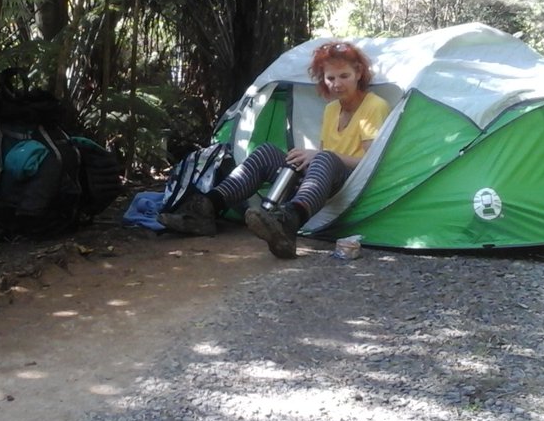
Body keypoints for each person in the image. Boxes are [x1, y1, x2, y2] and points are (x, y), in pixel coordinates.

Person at [159, 40, 391, 259]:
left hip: (352, 183)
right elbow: (324, 154)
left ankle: (287, 223)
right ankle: (206, 209)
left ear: (358, 73)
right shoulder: (331, 109)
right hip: (322, 180)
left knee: (323, 158)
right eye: (330, 78)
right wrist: (306, 158)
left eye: (344, 76)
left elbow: (369, 163)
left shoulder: (374, 106)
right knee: (267, 152)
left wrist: (319, 156)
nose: (337, 84)